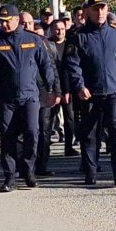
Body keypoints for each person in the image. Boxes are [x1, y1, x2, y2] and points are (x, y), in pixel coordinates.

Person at [0, 4, 55, 192]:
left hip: (30, 96)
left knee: (32, 133)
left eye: (7, 21)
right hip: (6, 99)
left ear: (16, 20)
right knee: (7, 138)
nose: (4, 25)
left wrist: (52, 88)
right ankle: (9, 177)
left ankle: (29, 170)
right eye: (1, 22)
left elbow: (46, 65)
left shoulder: (33, 40)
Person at [65, 0, 116, 187]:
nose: (100, 12)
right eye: (96, 9)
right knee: (89, 134)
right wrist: (79, 86)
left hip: (114, 92)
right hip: (90, 94)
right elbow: (72, 64)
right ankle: (90, 172)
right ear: (88, 11)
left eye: (103, 8)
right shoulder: (79, 37)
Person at [36, 19, 68, 178]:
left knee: (44, 129)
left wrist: (57, 91)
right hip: (27, 94)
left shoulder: (48, 47)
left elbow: (53, 70)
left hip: (46, 95)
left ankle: (42, 164)